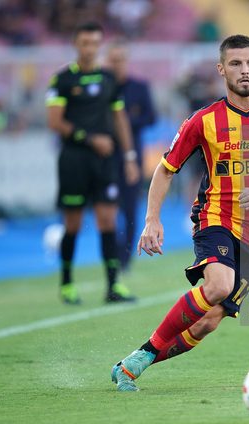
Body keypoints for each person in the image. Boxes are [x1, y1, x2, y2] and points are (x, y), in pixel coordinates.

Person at [111, 34, 249, 391]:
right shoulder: (204, 120)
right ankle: (143, 356)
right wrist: (151, 219)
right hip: (215, 217)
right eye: (235, 64)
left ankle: (132, 364)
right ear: (221, 70)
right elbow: (165, 169)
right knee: (218, 286)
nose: (244, 70)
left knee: (208, 322)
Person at [45, 21, 140, 305]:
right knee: (73, 222)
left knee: (108, 219)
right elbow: (54, 122)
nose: (89, 48)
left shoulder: (109, 79)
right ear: (76, 44)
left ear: (100, 45)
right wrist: (90, 139)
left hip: (105, 160)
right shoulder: (62, 80)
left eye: (94, 43)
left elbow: (120, 118)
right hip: (74, 160)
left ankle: (113, 286)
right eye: (84, 43)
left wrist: (130, 156)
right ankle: (66, 284)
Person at [106, 39, 157, 272]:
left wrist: (125, 122)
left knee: (129, 210)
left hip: (131, 158)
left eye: (119, 59)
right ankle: (111, 254)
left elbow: (151, 117)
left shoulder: (139, 87)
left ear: (125, 61)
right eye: (112, 59)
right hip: (105, 158)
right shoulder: (103, 88)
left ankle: (124, 258)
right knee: (106, 210)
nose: (116, 64)